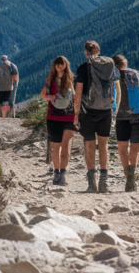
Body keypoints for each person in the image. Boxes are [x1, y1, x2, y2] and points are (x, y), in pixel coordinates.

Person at [74, 40, 120, 193]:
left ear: (86, 52)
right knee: (104, 146)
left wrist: (75, 114)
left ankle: (91, 184)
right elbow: (115, 86)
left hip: (88, 111)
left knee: (89, 145)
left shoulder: (82, 68)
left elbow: (78, 93)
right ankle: (104, 183)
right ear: (98, 52)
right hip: (106, 110)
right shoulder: (109, 66)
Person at [113, 55, 139, 192]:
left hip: (120, 116)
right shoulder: (136, 73)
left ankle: (127, 173)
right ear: (125, 63)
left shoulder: (113, 75)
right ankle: (133, 173)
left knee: (122, 146)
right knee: (136, 145)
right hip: (136, 114)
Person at [40, 56, 76, 186]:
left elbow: (74, 97)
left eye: (62, 64)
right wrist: (50, 97)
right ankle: (57, 173)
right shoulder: (50, 80)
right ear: (54, 65)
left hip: (67, 117)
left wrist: (77, 114)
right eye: (57, 64)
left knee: (65, 147)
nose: (60, 66)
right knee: (56, 147)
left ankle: (62, 173)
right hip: (55, 117)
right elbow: (43, 95)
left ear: (66, 65)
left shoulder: (70, 79)